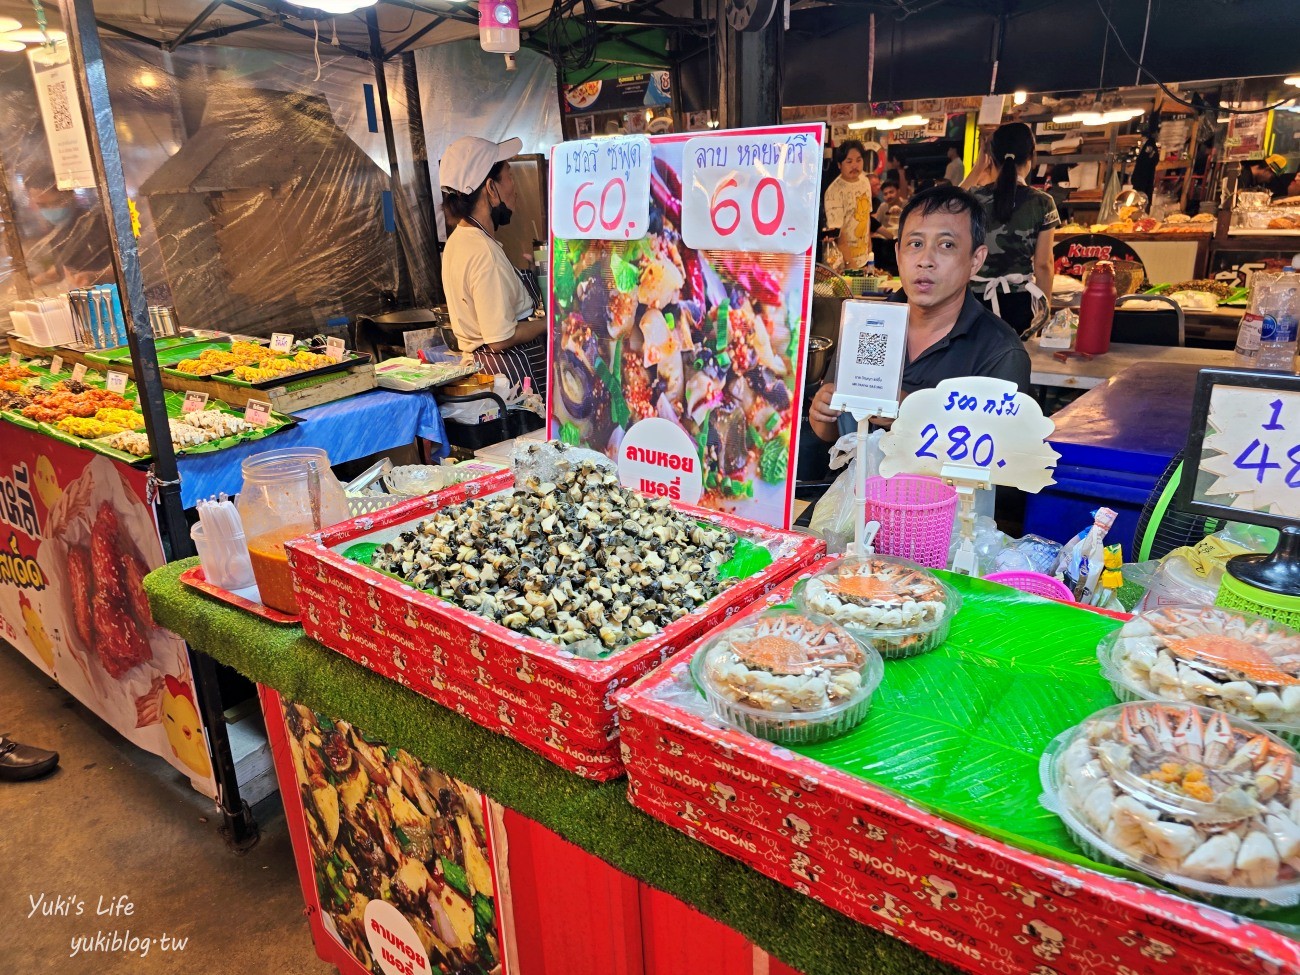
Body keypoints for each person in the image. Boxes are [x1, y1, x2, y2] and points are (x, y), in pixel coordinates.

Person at [809, 184, 1030, 442]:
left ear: (975, 260)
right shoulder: (867, 326)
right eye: (915, 243)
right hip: (857, 481)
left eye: (947, 245)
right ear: (898, 253)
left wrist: (918, 416)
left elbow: (1000, 463)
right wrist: (822, 416)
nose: (926, 260)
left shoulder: (1000, 353)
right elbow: (834, 433)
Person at [440, 135, 547, 397]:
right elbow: (500, 337)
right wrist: (554, 324)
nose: (515, 186)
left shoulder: (459, 240)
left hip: (488, 370)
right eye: (510, 176)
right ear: (490, 188)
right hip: (509, 377)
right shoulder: (483, 252)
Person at [967, 121, 1060, 335]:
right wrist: (1043, 316)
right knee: (1015, 363)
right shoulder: (1043, 202)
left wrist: (979, 165)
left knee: (975, 363)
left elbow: (947, 203)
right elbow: (1044, 265)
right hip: (1019, 302)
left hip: (975, 301)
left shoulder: (974, 198)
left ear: (991, 156)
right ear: (1030, 157)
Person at [822, 140, 875, 270]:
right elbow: (839, 234)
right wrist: (851, 265)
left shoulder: (865, 181)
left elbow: (866, 217)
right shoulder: (834, 191)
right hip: (842, 264)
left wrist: (869, 252)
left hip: (865, 259)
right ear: (840, 165)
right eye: (849, 161)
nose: (855, 166)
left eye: (858, 160)